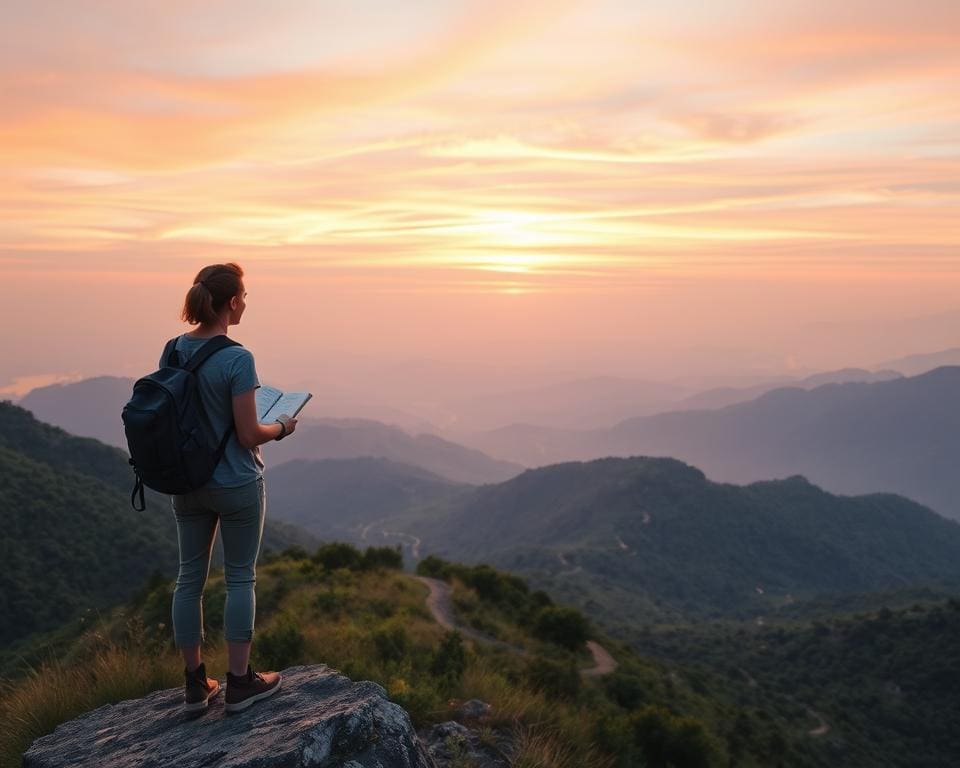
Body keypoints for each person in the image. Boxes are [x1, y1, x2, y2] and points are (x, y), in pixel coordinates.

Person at [167, 262, 297, 714]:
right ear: (232, 302)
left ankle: (194, 685)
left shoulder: (174, 349)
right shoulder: (238, 358)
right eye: (244, 296)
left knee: (189, 580)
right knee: (241, 575)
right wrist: (281, 425)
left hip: (185, 482)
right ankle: (240, 683)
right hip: (236, 482)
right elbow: (247, 434)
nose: (245, 303)